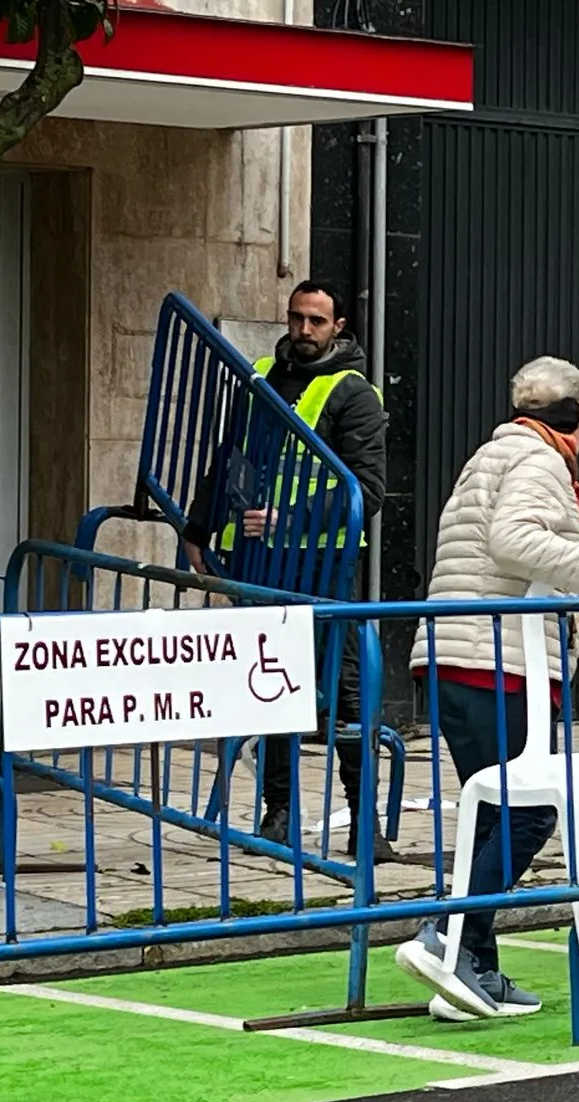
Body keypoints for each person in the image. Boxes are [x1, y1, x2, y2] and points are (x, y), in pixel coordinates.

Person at [394, 357, 579, 1019]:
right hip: (497, 662)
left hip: (453, 656)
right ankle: (449, 938)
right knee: (528, 812)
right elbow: (513, 541)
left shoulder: (492, 455)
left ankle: (474, 967)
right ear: (573, 421)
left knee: (494, 815)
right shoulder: (539, 463)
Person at [182, 279, 391, 857]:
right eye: (297, 318)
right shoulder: (263, 378)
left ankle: (364, 824)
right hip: (265, 564)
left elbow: (365, 491)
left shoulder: (355, 394)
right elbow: (232, 457)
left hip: (325, 565)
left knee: (348, 693)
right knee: (269, 687)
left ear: (339, 327)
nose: (303, 331)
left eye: (316, 321)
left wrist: (288, 519)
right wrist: (197, 528)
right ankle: (278, 813)